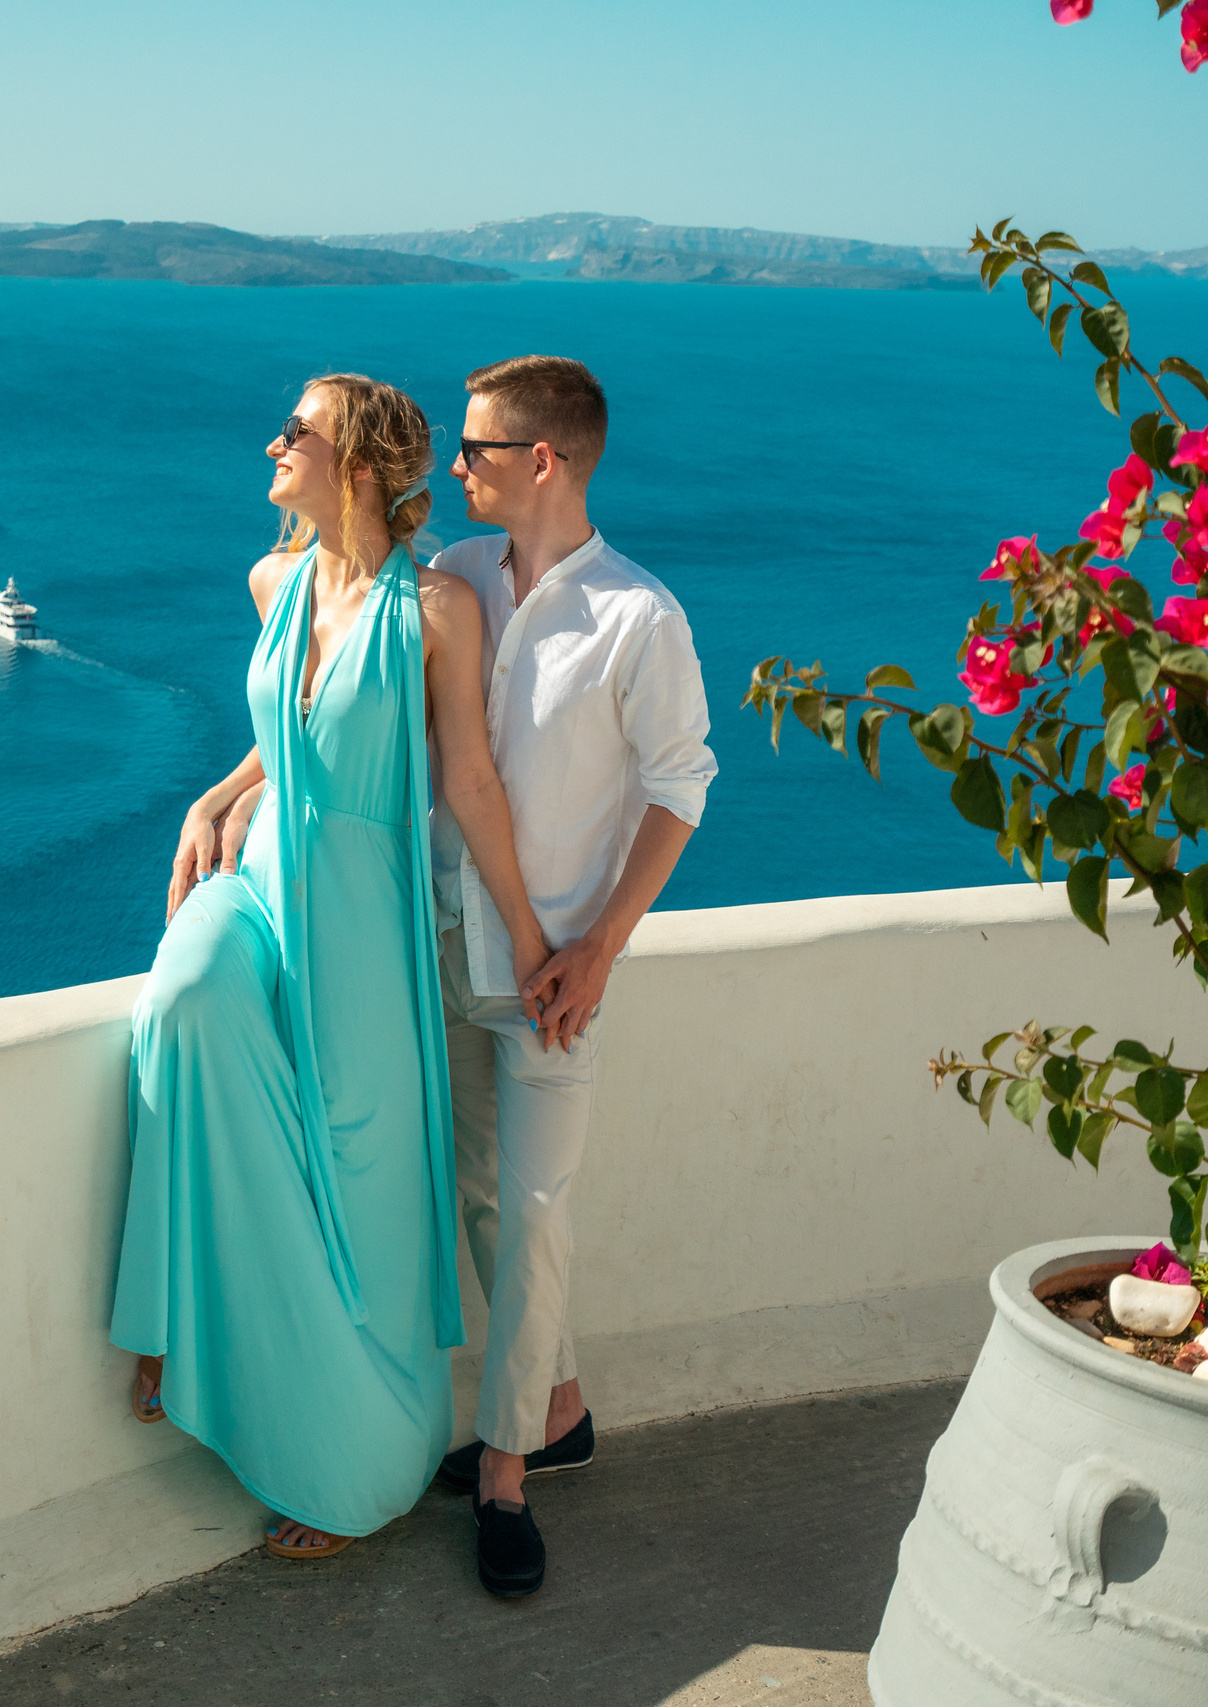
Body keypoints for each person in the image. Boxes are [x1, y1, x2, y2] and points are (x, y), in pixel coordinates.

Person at [109, 374, 552, 1560]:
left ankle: (360, 1461)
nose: (273, 444)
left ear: (355, 465)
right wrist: (214, 795)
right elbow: (283, 739)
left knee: (364, 1203)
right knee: (182, 1002)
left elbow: (468, 780)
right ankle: (166, 1318)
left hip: (362, 923)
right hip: (259, 887)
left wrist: (528, 932)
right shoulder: (274, 580)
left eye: (295, 432)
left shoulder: (438, 611)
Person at [427, 355, 716, 1598]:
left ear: (541, 459)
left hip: (551, 974)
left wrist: (602, 944)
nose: (455, 466)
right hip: (444, 943)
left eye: (476, 449)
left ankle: (505, 1474)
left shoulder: (637, 617)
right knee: (485, 1202)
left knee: (536, 1208)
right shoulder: (453, 573)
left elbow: (680, 786)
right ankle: (560, 1409)